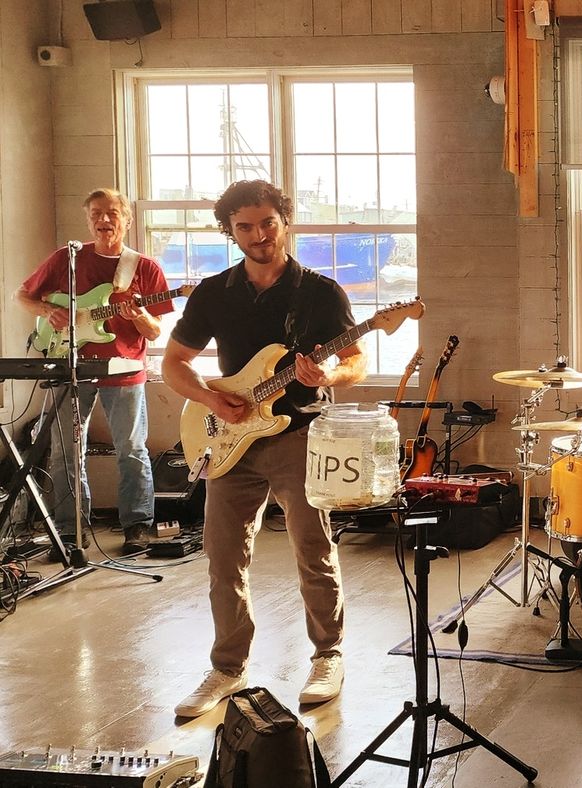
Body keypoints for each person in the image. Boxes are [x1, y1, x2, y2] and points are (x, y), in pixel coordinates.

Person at [162, 180, 366, 718]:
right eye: (245, 227)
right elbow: (173, 363)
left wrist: (329, 374)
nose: (258, 235)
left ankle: (328, 655)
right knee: (223, 557)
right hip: (230, 440)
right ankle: (228, 668)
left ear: (285, 221)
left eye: (267, 223)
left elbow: (356, 362)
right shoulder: (213, 292)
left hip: (297, 434)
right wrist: (211, 398)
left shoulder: (320, 293)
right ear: (230, 231)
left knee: (312, 550)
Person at [15, 189, 173, 554]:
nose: (104, 220)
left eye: (112, 213)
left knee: (131, 450)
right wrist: (47, 311)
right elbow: (21, 295)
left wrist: (140, 316)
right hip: (69, 365)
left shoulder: (143, 267)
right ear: (88, 220)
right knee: (65, 452)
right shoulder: (67, 259)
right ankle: (71, 529)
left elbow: (154, 331)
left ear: (126, 220)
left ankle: (137, 525)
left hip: (124, 370)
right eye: (96, 214)